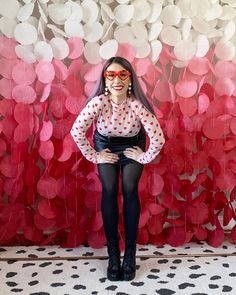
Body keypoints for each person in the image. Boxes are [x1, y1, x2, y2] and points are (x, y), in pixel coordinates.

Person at [70, 56, 165, 281]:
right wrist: (95, 155)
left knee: (130, 187)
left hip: (133, 143)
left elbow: (158, 138)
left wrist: (143, 156)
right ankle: (114, 255)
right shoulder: (99, 102)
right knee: (110, 188)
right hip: (106, 143)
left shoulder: (136, 104)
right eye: (111, 75)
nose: (117, 80)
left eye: (122, 74)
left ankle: (130, 254)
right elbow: (77, 131)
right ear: (105, 79)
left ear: (130, 78)